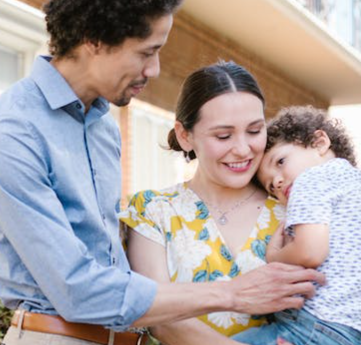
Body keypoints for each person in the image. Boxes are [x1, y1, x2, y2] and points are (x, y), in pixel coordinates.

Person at [0, 0, 324, 343]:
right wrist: (232, 293)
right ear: (92, 39)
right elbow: (75, 289)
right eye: (146, 52)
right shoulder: (15, 130)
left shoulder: (103, 127)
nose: (155, 69)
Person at [120, 61, 302, 345]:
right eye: (223, 135)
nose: (243, 149)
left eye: (254, 131)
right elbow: (158, 317)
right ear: (185, 135)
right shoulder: (154, 210)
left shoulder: (292, 211)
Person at [232, 106, 361, 345]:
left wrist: (274, 255)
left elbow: (310, 252)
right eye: (270, 187)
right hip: (357, 330)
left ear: (319, 142)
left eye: (281, 161)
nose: (277, 181)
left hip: (314, 324)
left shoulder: (310, 179)